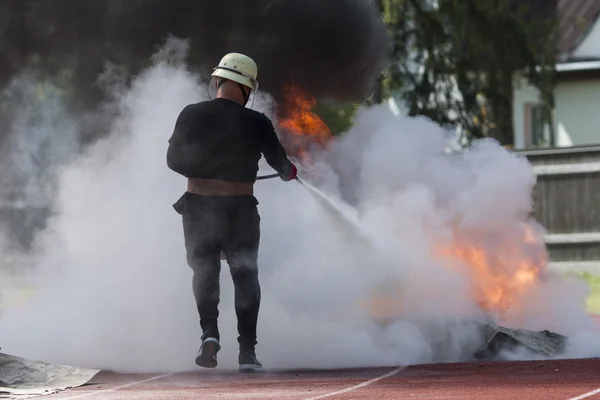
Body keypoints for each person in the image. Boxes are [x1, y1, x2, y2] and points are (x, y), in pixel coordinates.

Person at [166, 53, 297, 373]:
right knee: (245, 273)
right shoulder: (257, 122)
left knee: (204, 271)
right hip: (239, 210)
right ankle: (247, 353)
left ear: (219, 81)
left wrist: (201, 169)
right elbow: (281, 165)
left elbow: (172, 161)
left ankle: (209, 334)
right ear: (248, 89)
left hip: (197, 207)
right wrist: (288, 171)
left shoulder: (190, 114)